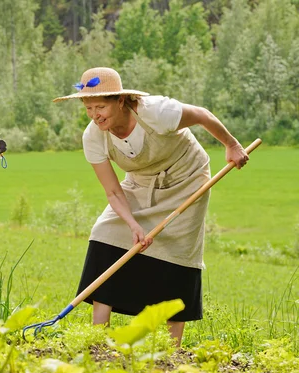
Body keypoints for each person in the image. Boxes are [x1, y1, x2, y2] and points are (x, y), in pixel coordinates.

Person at [53, 67, 249, 346]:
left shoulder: (155, 111)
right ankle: (97, 339)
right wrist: (133, 224)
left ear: (120, 101)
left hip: (187, 178)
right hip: (140, 182)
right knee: (105, 233)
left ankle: (172, 348)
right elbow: (112, 190)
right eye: (88, 107)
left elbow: (202, 115)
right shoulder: (94, 136)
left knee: (178, 252)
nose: (95, 114)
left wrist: (231, 145)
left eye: (100, 106)